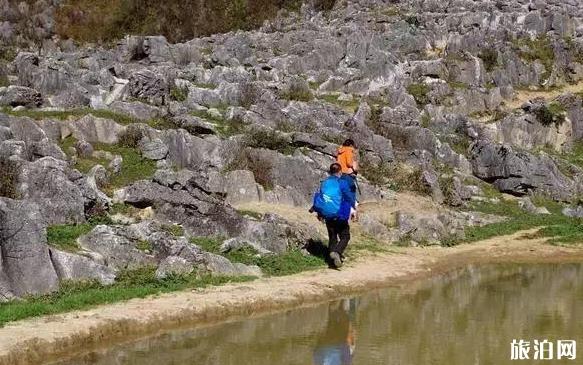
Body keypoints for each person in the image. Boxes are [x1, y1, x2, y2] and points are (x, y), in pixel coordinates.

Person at [311, 163, 356, 268]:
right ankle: (337, 252)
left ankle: (331, 260)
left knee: (332, 237)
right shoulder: (342, 182)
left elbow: (322, 198)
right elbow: (349, 197)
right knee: (345, 236)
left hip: (327, 214)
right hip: (339, 214)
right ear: (340, 171)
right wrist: (353, 208)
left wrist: (319, 213)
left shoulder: (324, 183)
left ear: (330, 172)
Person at [336, 139, 359, 221]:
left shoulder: (340, 151)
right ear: (351, 145)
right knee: (351, 192)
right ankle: (353, 211)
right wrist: (354, 166)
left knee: (343, 193)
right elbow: (349, 163)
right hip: (347, 174)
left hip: (340, 174)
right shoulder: (349, 150)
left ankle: (345, 212)